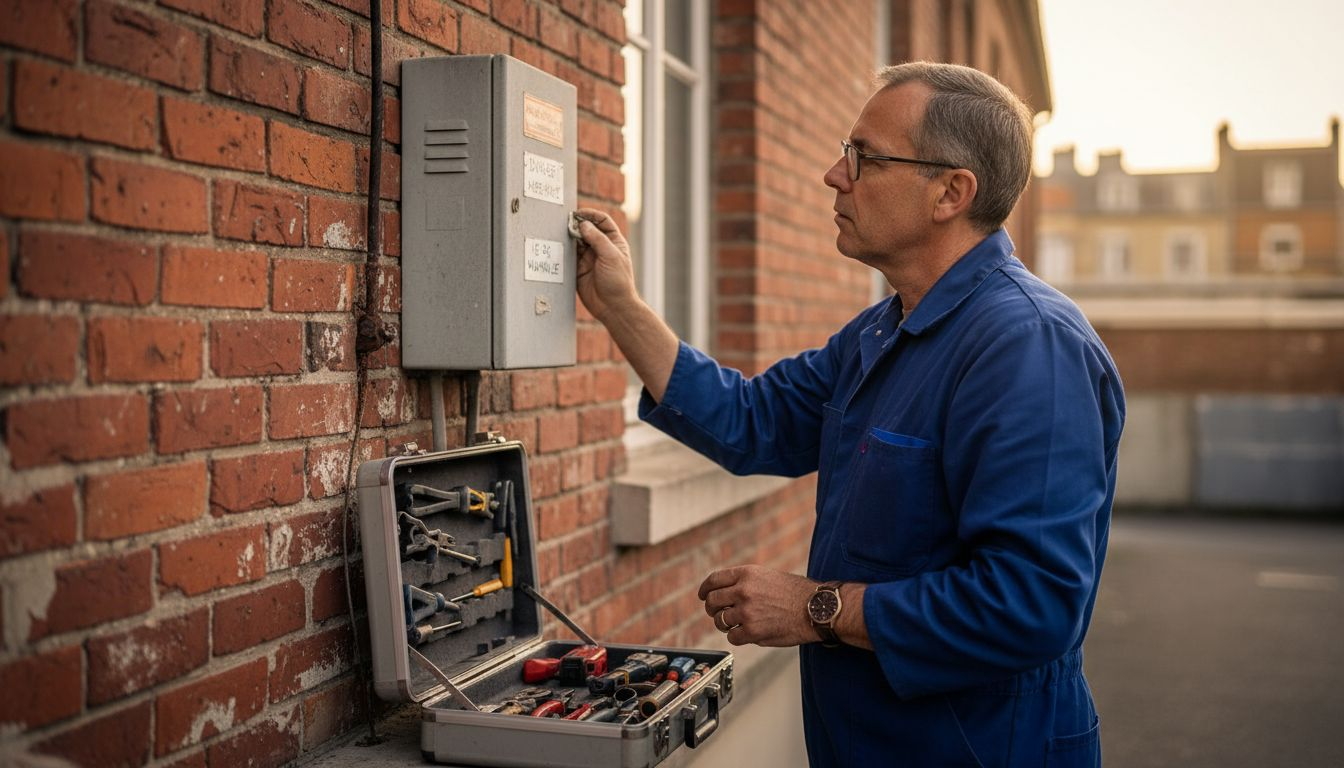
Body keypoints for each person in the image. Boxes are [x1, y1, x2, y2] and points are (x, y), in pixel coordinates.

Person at [575, 61, 1123, 767]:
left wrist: (814, 609)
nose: (835, 175)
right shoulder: (883, 331)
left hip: (982, 748)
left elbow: (1032, 604)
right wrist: (619, 304)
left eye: (864, 157)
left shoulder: (1028, 347)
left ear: (951, 192)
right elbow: (750, 420)